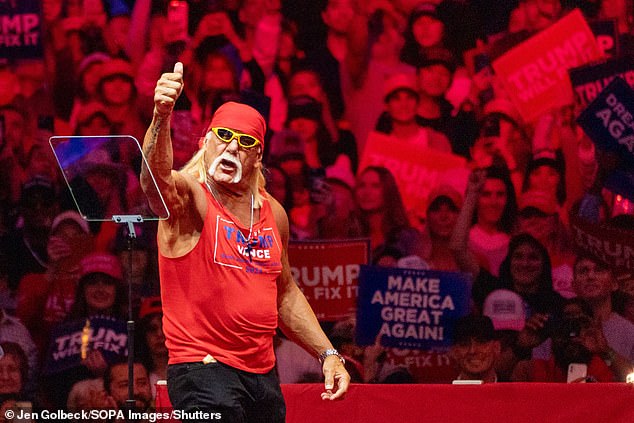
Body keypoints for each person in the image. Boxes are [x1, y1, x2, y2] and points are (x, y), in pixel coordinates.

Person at [140, 62, 349, 422]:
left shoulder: (273, 214)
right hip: (203, 371)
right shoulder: (192, 199)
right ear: (205, 142)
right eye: (223, 135)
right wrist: (161, 117)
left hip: (262, 376)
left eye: (246, 142)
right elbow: (155, 182)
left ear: (257, 157)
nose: (232, 147)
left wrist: (328, 353)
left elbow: (284, 293)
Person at [449, 315, 501, 383]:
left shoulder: (514, 391)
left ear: (496, 348)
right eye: (464, 344)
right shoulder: (439, 392)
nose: (472, 350)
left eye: (481, 342)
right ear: (454, 352)